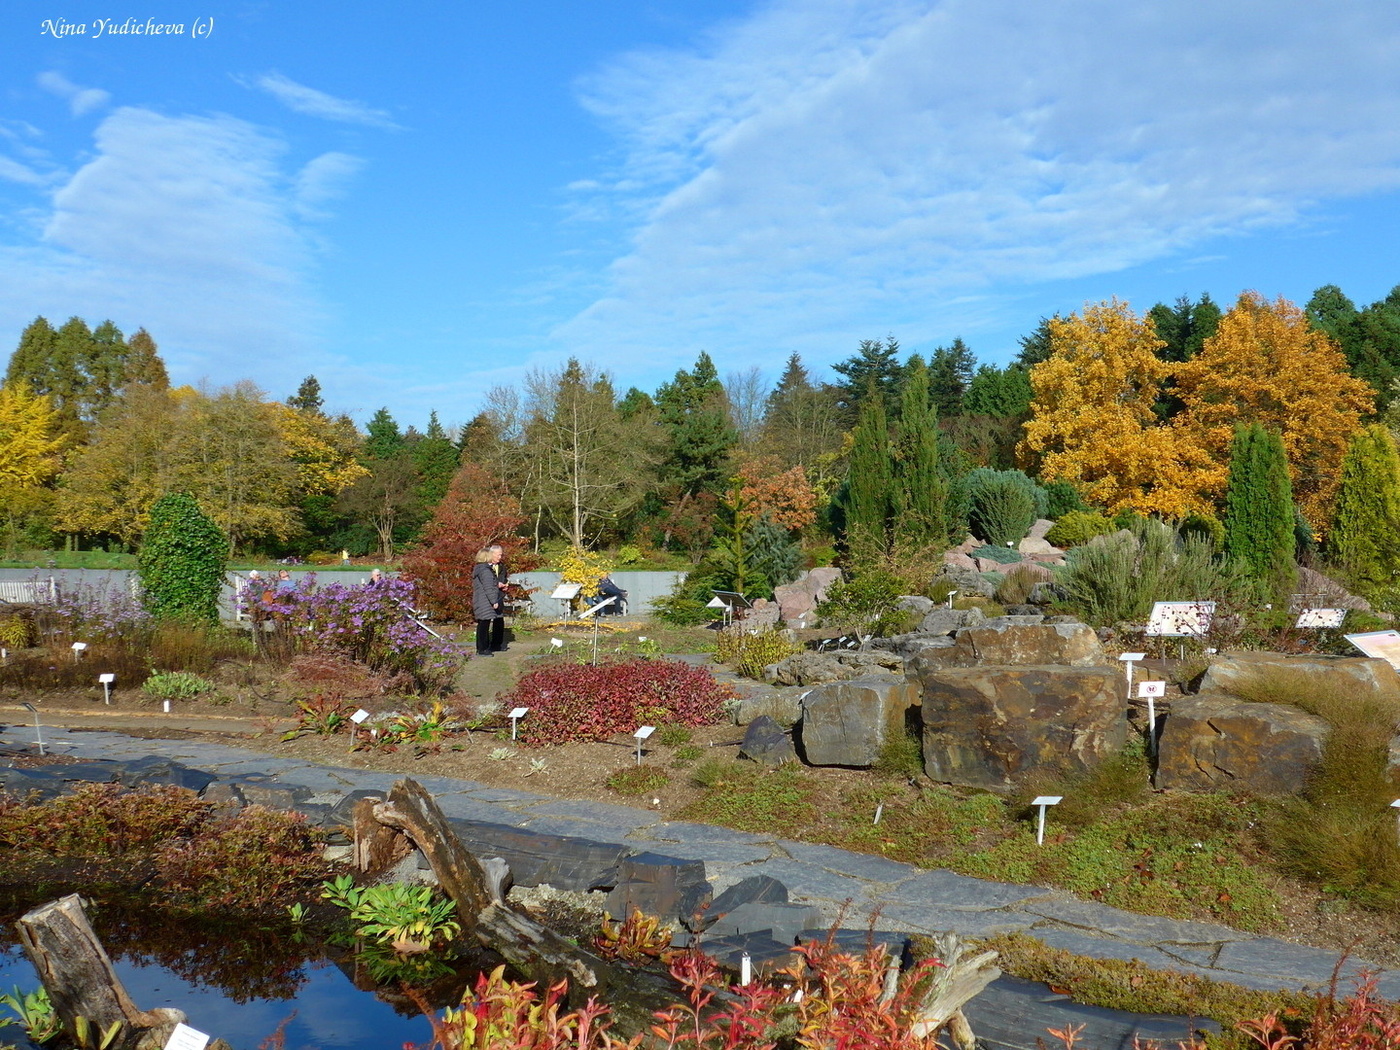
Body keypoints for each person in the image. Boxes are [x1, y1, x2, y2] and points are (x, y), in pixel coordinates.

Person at [472, 547, 505, 656]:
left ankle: (481, 648)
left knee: (482, 624)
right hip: (485, 601)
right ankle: (483, 649)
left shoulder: (480, 569)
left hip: (481, 600)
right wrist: (494, 601)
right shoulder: (485, 571)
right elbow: (488, 587)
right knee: (484, 625)